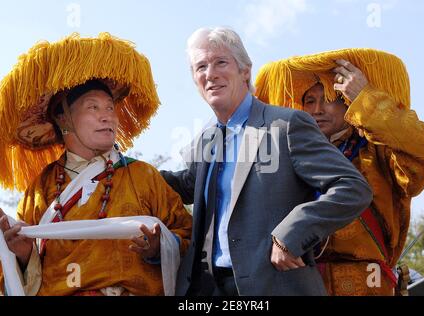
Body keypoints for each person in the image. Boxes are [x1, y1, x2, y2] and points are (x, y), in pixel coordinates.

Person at [160, 27, 373, 296]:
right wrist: (124, 166)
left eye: (220, 62)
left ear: (245, 71)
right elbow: (185, 185)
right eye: (200, 66)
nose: (210, 73)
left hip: (275, 286)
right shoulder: (206, 140)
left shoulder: (286, 125)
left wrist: (292, 234)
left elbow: (353, 187)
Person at [0, 33, 192, 296]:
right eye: (93, 108)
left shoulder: (142, 175)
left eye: (110, 108)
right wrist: (23, 256)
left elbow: (188, 235)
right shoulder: (40, 188)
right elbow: (15, 271)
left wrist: (161, 248)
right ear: (63, 119)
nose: (107, 118)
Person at [254, 49, 424, 295]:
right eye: (309, 101)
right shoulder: (288, 155)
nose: (317, 109)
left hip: (367, 286)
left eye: (329, 98)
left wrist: (367, 100)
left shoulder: (377, 151)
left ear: (346, 99)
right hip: (296, 283)